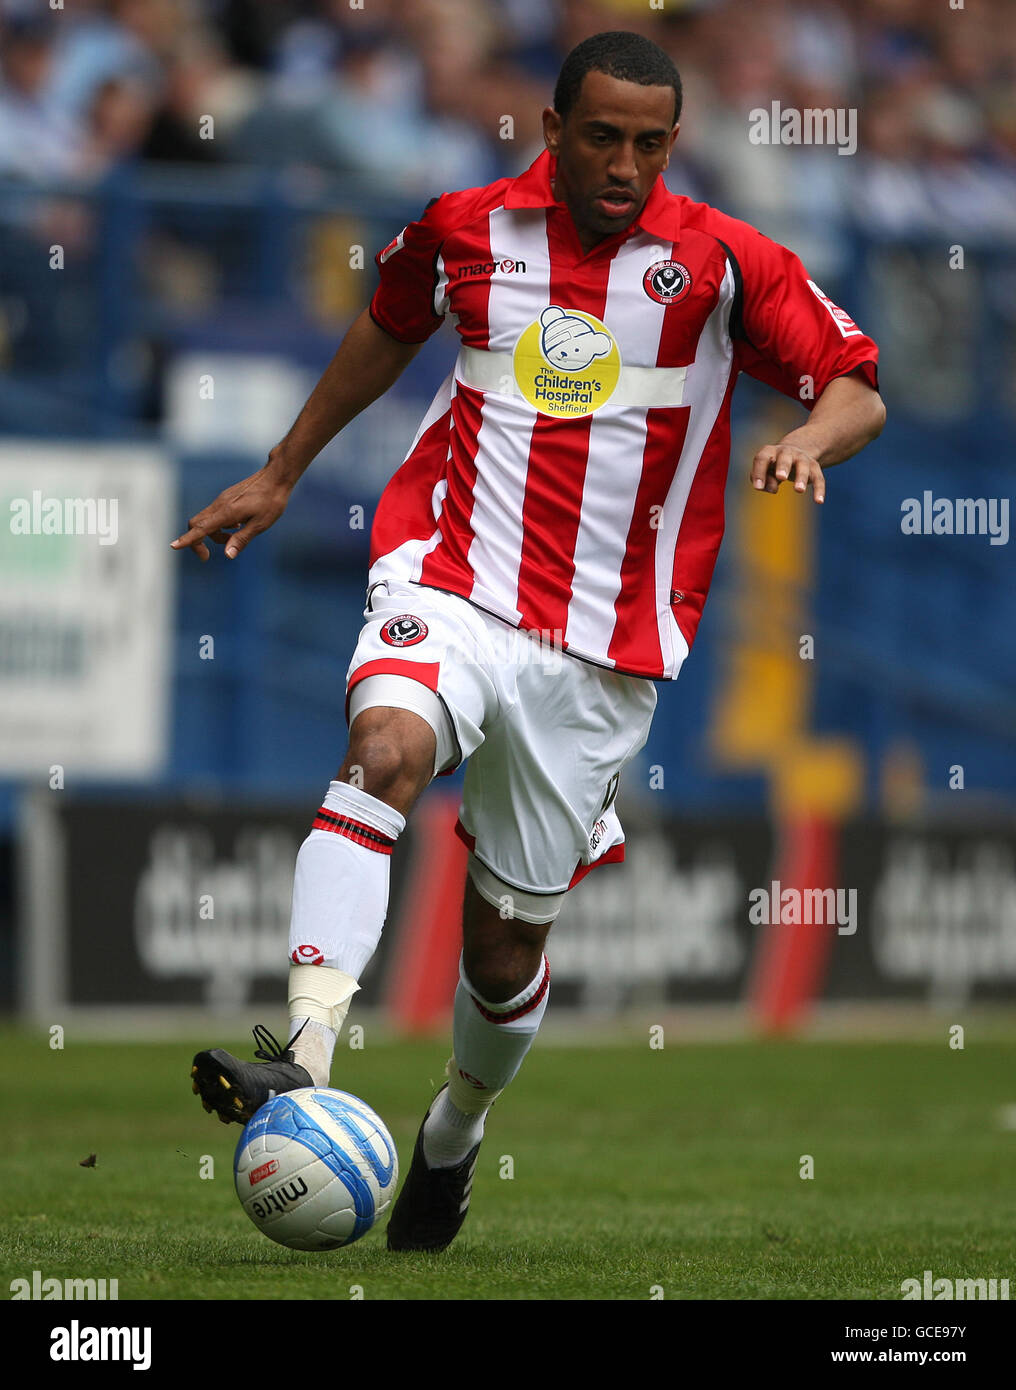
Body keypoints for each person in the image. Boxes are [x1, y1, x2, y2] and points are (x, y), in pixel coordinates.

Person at [174, 30, 885, 1252]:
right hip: (447, 576)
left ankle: (452, 1132)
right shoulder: (462, 230)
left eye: (647, 144)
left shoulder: (720, 262)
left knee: (502, 950)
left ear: (673, 144)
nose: (622, 164)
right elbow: (386, 324)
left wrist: (804, 442)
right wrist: (283, 470)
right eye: (599, 137)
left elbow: (854, 382)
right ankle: (300, 1051)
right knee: (384, 748)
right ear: (550, 130)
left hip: (604, 649)